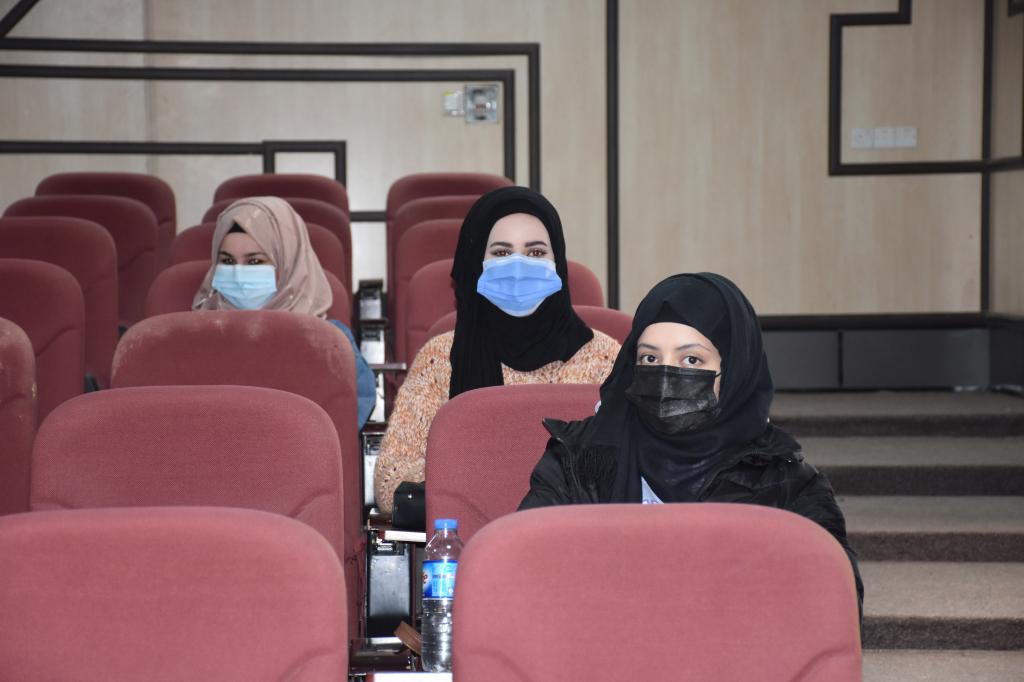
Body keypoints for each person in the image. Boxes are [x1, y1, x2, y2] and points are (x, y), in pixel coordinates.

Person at [519, 272, 864, 614]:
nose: (665, 376)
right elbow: (523, 571)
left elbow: (834, 602)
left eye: (691, 360)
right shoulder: (577, 459)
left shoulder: (787, 483)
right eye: (650, 358)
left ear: (734, 370)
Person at [374, 187, 620, 513]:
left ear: (558, 262)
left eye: (535, 253)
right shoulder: (440, 359)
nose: (518, 268)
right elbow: (390, 482)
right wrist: (497, 477)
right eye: (502, 253)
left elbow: (632, 466)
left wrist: (486, 469)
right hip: (468, 535)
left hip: (574, 536)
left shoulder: (607, 359)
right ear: (475, 264)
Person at [193, 196, 375, 427]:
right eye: (227, 261)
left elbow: (345, 423)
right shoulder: (195, 335)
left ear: (287, 264)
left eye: (254, 262)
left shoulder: (328, 343)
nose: (238, 274)